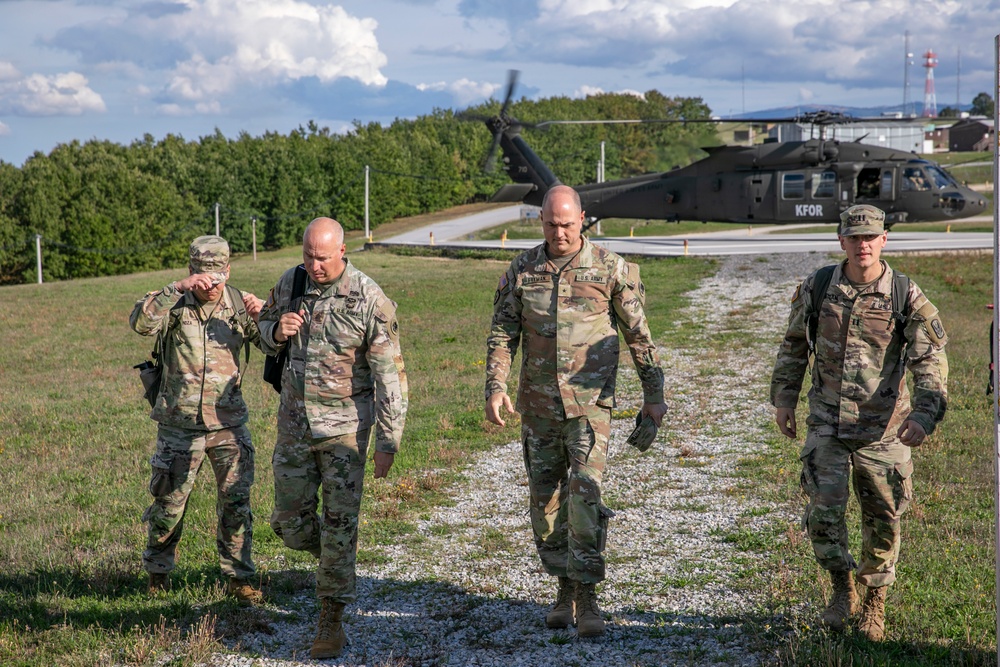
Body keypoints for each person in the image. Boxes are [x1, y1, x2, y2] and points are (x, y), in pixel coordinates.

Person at [485, 185, 667, 638]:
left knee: (584, 496)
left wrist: (654, 394)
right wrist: (495, 386)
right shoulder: (524, 269)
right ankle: (563, 588)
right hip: (539, 408)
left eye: (567, 223)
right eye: (551, 224)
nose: (560, 232)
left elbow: (638, 335)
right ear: (540, 221)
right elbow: (503, 334)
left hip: (590, 409)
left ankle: (588, 598)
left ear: (582, 218)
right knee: (545, 504)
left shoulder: (610, 268)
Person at [770, 204, 948, 641]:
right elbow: (795, 345)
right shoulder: (818, 287)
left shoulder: (905, 294)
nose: (862, 244)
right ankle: (840, 589)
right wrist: (784, 399)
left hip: (884, 428)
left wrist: (925, 415)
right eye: (854, 237)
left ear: (884, 239)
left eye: (870, 237)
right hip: (827, 422)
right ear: (842, 241)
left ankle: (874, 604)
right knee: (824, 513)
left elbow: (930, 360)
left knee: (884, 517)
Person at [255, 217, 407, 660]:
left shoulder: (369, 299)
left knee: (339, 529)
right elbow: (262, 333)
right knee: (288, 524)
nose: (314, 264)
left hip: (345, 434)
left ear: (343, 251)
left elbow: (390, 378)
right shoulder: (291, 283)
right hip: (294, 429)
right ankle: (339, 557)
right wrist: (274, 331)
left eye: (322, 257)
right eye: (308, 255)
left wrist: (388, 442)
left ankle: (331, 619)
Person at [129, 235, 264, 603]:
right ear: (191, 272)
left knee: (236, 504)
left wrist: (265, 314)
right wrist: (178, 288)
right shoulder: (174, 303)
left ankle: (239, 579)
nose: (210, 285)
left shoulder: (238, 304)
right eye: (202, 277)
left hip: (228, 424)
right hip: (179, 423)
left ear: (228, 271)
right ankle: (158, 574)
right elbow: (140, 323)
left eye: (217, 276)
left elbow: (272, 342)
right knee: (168, 505)